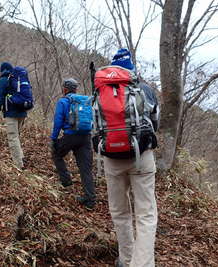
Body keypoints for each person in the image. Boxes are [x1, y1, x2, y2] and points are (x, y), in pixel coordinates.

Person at [96, 49, 159, 267]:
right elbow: (155, 121)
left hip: (111, 158)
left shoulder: (100, 89)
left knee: (119, 211)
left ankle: (126, 259)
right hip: (141, 156)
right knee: (145, 214)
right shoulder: (144, 89)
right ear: (131, 68)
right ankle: (141, 264)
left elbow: (97, 126)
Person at [50, 78, 96, 210]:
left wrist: (54, 139)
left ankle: (66, 181)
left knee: (56, 154)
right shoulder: (84, 101)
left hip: (70, 136)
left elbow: (58, 121)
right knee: (85, 169)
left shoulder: (63, 101)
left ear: (65, 89)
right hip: (85, 137)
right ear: (75, 89)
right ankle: (90, 200)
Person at [0, 62, 26, 169]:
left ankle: (18, 165)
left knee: (12, 137)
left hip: (11, 113)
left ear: (3, 70)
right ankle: (21, 156)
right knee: (16, 136)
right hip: (23, 112)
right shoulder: (19, 79)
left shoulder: (3, 80)